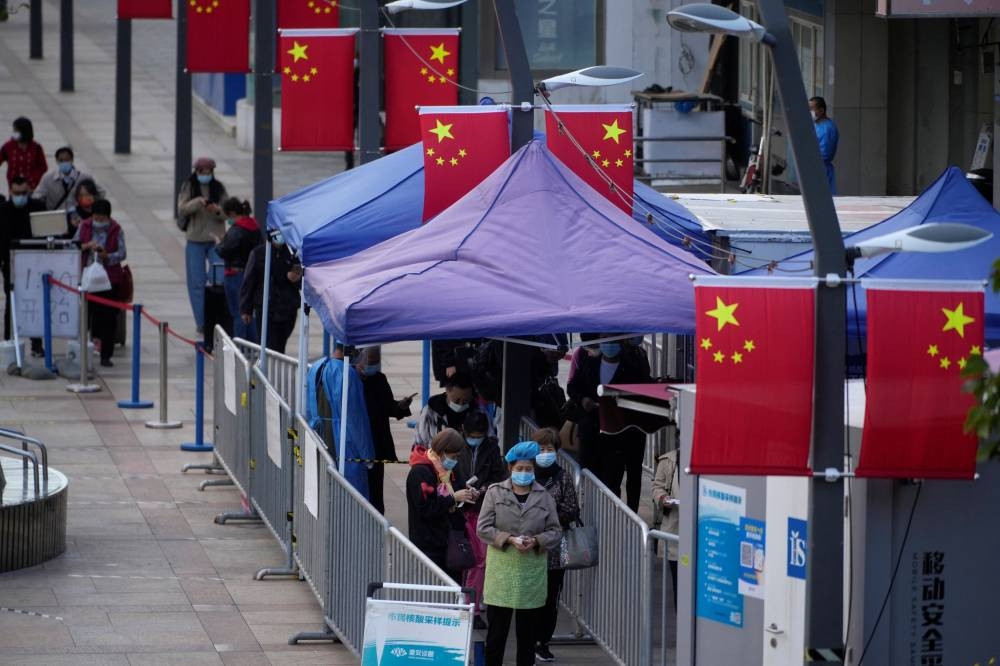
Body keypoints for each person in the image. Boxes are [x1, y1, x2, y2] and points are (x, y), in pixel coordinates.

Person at [477, 441, 562, 666]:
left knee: (527, 638)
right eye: (520, 469)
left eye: (528, 469)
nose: (524, 473)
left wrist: (536, 541)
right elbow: (483, 528)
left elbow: (555, 531)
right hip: (501, 574)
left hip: (530, 575)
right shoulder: (495, 492)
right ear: (510, 469)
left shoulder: (544, 496)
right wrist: (509, 539)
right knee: (496, 636)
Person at [567, 334, 652, 512]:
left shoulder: (632, 367)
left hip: (622, 432)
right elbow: (573, 387)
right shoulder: (590, 363)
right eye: (606, 340)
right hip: (593, 431)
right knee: (593, 475)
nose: (609, 345)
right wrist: (583, 400)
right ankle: (592, 512)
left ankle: (623, 516)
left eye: (614, 340)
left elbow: (644, 390)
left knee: (617, 477)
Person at [530, 428, 579, 663]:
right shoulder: (525, 474)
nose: (546, 453)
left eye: (550, 449)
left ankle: (543, 641)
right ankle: (527, 638)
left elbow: (572, 509)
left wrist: (549, 519)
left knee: (551, 598)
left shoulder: (564, 477)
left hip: (555, 551)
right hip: (527, 548)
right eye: (541, 449)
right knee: (530, 596)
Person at [457, 410, 508, 629]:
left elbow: (499, 476)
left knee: (480, 562)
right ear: (464, 431)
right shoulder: (456, 447)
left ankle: (473, 608)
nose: (475, 438)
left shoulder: (491, 448)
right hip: (458, 511)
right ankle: (463, 603)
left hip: (482, 510)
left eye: (479, 434)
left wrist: (484, 488)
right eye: (472, 434)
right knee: (461, 560)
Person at [406, 428, 477, 582]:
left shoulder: (452, 471)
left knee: (454, 588)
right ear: (442, 451)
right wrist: (453, 498)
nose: (455, 460)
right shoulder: (420, 472)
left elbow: (457, 501)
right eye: (453, 456)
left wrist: (467, 496)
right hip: (429, 544)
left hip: (451, 542)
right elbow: (425, 509)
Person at [356, 345, 414, 515]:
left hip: (377, 444)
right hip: (358, 443)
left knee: (375, 491)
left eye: (376, 361)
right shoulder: (352, 379)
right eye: (370, 362)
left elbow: (389, 407)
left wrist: (401, 406)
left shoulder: (380, 379)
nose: (373, 365)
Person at [177, 157, 227, 333]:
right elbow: (181, 209)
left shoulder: (218, 188)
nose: (205, 175)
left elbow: (226, 213)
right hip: (195, 240)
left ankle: (219, 319)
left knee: (218, 278)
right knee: (196, 282)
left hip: (215, 239)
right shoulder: (188, 187)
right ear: (196, 171)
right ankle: (201, 322)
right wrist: (197, 202)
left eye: (208, 172)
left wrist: (216, 210)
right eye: (201, 172)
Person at [74, 199, 126, 368]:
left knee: (109, 318)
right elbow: (74, 245)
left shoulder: (116, 229)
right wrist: (86, 246)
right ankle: (82, 351)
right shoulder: (85, 226)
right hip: (87, 277)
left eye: (103, 218)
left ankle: (106, 355)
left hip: (109, 279)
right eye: (97, 217)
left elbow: (122, 252)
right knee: (86, 316)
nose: (99, 221)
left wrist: (107, 256)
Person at [239, 229, 301, 354]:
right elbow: (249, 282)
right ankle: (269, 371)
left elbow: (300, 278)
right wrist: (246, 309)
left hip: (287, 307)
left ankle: (273, 368)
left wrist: (296, 277)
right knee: (270, 344)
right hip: (265, 306)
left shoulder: (292, 253)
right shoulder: (259, 253)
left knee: (280, 343)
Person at [0, 176, 45, 348]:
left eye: (24, 193)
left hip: (34, 262)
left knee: (35, 302)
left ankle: (36, 343)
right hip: (10, 263)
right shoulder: (3, 210)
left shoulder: (37, 207)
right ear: (10, 192)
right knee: (11, 302)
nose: (20, 196)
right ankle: (9, 341)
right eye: (17, 193)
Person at [212, 198, 261, 341]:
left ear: (232, 213)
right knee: (248, 311)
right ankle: (254, 346)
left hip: (235, 275)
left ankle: (240, 347)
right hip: (251, 274)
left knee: (238, 313)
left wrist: (219, 243)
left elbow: (225, 250)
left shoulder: (236, 230)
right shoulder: (254, 227)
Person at [414, 371, 477, 447]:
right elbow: (420, 443)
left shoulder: (477, 412)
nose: (460, 404)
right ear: (448, 390)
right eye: (456, 400)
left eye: (465, 401)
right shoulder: (430, 412)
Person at [651, 446, 680, 609]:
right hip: (675, 534)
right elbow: (657, 487)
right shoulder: (668, 461)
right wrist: (662, 498)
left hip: (702, 535)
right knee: (679, 585)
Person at [31, 146, 102, 212]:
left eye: (67, 160)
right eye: (61, 160)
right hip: (56, 216)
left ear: (72, 159)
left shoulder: (84, 177)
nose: (64, 162)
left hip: (78, 217)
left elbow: (100, 193)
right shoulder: (48, 178)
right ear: (57, 161)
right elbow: (37, 196)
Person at [0, 117, 47, 192]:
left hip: (31, 188)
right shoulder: (8, 146)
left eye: (16, 131)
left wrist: (31, 181)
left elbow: (42, 167)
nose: (14, 133)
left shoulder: (36, 148)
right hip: (14, 188)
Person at [809, 96, 839, 195]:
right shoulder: (816, 125)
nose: (810, 112)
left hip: (820, 170)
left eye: (812, 109)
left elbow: (824, 154)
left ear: (821, 110)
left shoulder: (827, 129)